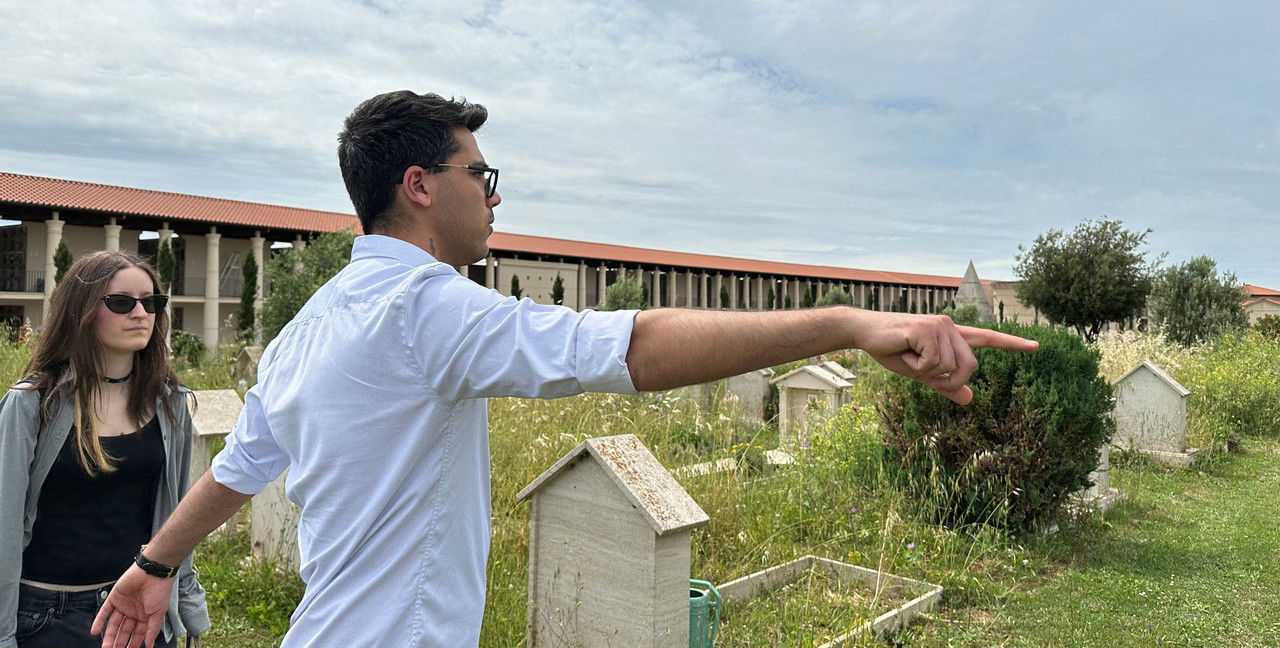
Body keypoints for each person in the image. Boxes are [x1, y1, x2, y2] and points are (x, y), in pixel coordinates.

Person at [92, 91, 1038, 648]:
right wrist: (841, 324)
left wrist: (152, 566)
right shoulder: (428, 306)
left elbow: (237, 470)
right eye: (481, 175)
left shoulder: (312, 325)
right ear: (420, 188)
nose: (495, 197)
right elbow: (630, 348)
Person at [0, 251, 209, 648]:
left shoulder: (170, 402)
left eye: (150, 302)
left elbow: (175, 513)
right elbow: (3, 524)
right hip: (45, 616)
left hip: (137, 609)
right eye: (121, 302)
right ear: (81, 312)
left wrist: (185, 603)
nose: (140, 313)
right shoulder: (32, 403)